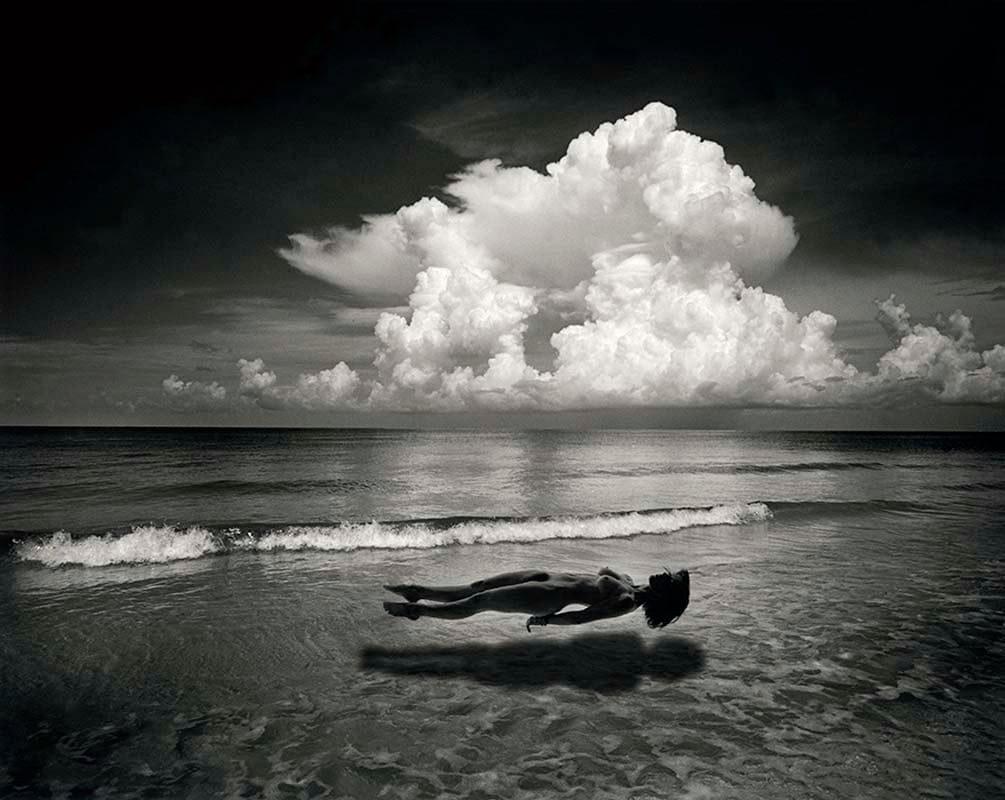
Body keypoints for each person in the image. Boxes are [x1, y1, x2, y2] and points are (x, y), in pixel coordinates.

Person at [383, 566, 689, 631]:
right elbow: (602, 571)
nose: (665, 574)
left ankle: (418, 611)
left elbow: (582, 616)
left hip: (546, 596)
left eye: (669, 579)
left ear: (666, 594)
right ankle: (419, 592)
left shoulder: (626, 601)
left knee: (480, 602)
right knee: (476, 585)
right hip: (543, 576)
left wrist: (547, 620)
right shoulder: (629, 584)